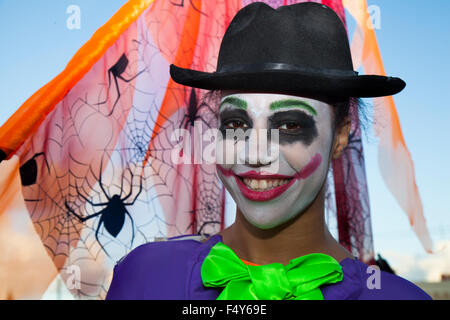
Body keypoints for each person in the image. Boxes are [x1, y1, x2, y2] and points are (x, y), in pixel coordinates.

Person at [106, 2, 431, 300]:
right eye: (235, 124)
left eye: (289, 126)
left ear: (340, 136)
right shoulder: (145, 278)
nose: (254, 153)